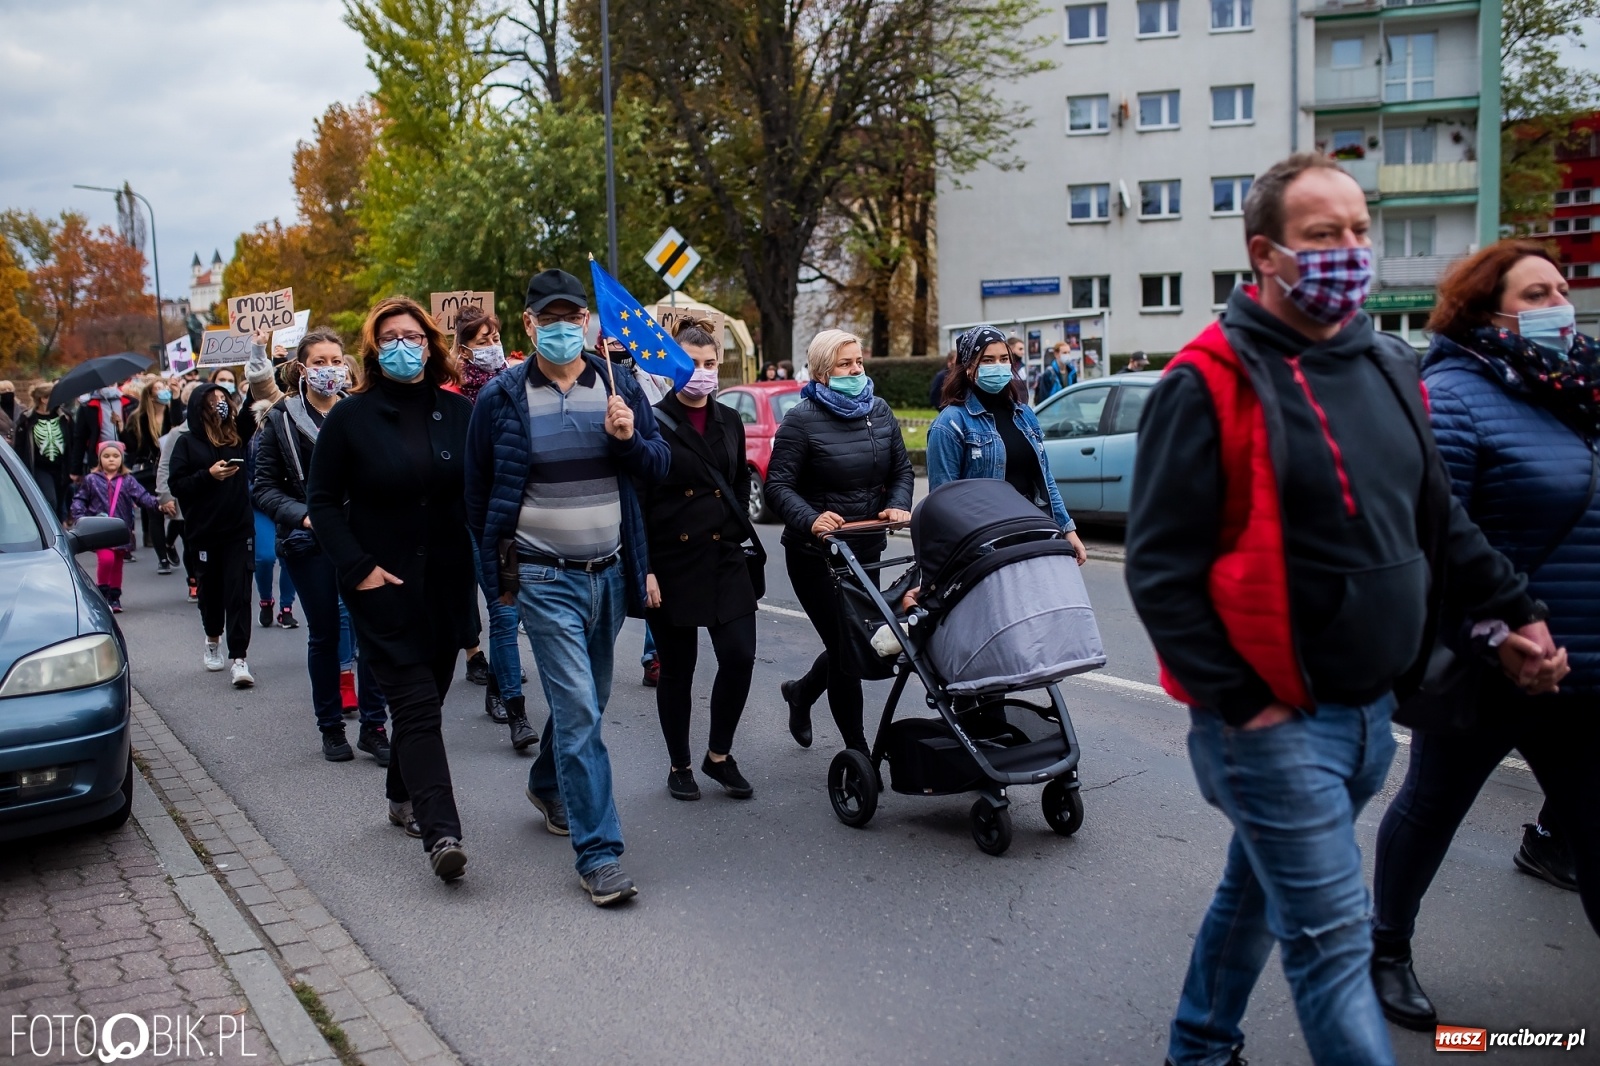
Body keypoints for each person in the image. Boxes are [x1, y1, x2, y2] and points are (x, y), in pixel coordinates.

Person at [1123, 153, 1564, 1066]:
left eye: (1359, 230)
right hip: (1271, 727)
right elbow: (1160, 572)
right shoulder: (1205, 382)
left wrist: (1516, 614)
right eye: (1323, 235)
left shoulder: (1387, 362)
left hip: (1372, 714)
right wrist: (1246, 706)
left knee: (1255, 892)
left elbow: (1438, 518)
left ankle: (1198, 1047)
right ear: (1266, 254)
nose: (1351, 250)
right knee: (1332, 948)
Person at [1369, 241, 1600, 1029]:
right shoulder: (1453, 397)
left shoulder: (1577, 391)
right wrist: (1499, 633)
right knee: (1431, 807)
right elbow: (1433, 537)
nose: (1558, 304)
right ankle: (1386, 948)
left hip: (1583, 666)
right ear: (1484, 309)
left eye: (1562, 287)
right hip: (1491, 662)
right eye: (1536, 293)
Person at [465, 268, 670, 906]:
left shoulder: (618, 383)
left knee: (591, 701)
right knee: (579, 710)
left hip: (607, 572)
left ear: (587, 321)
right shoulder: (500, 397)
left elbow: (658, 467)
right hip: (543, 576)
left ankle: (549, 782)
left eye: (571, 318)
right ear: (529, 325)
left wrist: (628, 440)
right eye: (548, 320)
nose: (561, 329)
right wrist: (498, 581)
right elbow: (479, 496)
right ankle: (599, 854)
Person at [307, 296, 477, 881]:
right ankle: (442, 833)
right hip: (383, 587)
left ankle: (400, 792)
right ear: (374, 351)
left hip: (448, 587)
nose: (403, 346)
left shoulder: (458, 412)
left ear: (430, 345)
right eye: (390, 339)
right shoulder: (350, 417)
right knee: (418, 709)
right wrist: (358, 568)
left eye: (412, 336)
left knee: (429, 698)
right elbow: (322, 501)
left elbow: (478, 492)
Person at [768, 329, 914, 753]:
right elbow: (778, 486)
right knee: (847, 650)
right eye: (844, 364)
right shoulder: (801, 420)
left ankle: (801, 693)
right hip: (816, 556)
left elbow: (901, 471)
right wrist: (812, 519)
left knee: (857, 641)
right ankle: (859, 754)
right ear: (821, 372)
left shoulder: (879, 411)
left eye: (858, 362)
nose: (855, 371)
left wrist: (897, 504)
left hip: (866, 548)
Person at [253, 326, 391, 768]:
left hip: (361, 539)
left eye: (335, 361)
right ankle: (331, 726)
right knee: (326, 633)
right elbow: (263, 488)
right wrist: (306, 515)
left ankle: (373, 726)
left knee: (371, 632)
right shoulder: (280, 419)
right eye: (319, 362)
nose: (328, 369)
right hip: (309, 542)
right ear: (302, 368)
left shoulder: (359, 411)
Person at [640, 323, 760, 801]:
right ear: (672, 364)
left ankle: (719, 756)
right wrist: (645, 567)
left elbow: (736, 479)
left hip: (725, 556)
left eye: (710, 364)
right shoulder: (651, 420)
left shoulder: (730, 419)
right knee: (678, 668)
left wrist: (737, 527)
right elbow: (639, 500)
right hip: (672, 561)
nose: (702, 373)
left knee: (740, 656)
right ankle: (680, 764)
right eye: (691, 363)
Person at [928, 325, 1088, 564]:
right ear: (969, 367)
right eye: (988, 360)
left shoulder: (1024, 414)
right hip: (984, 546)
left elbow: (1045, 478)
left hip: (1032, 534)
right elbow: (944, 501)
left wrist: (1067, 529)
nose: (998, 366)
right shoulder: (950, 423)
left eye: (1004, 359)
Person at [450, 306, 534, 747]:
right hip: (475, 517)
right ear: (464, 348)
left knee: (511, 609)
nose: (491, 346)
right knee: (502, 609)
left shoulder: (517, 383)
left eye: (494, 337)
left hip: (517, 516)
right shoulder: (451, 395)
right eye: (481, 340)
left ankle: (498, 689)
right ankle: (515, 708)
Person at [169, 381, 257, 688]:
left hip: (238, 529)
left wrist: (261, 362)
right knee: (211, 592)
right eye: (213, 399)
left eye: (223, 397)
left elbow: (253, 401)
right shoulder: (186, 443)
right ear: (199, 406)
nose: (219, 402)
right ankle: (212, 638)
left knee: (239, 592)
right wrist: (208, 475)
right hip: (204, 531)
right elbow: (177, 484)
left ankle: (239, 658)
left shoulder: (237, 434)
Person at [599, 333, 669, 689]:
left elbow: (657, 449)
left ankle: (654, 654)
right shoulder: (599, 384)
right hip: (614, 504)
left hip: (653, 484)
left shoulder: (651, 382)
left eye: (623, 343)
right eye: (612, 344)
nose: (620, 349)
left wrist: (633, 440)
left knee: (653, 579)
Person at [69, 440, 160, 613]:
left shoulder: (128, 480)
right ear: (99, 459)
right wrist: (80, 517)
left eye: (115, 456)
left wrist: (159, 505)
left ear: (122, 459)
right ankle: (103, 592)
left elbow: (143, 497)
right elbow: (80, 499)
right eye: (106, 456)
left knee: (117, 563)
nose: (111, 459)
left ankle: (115, 596)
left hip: (120, 530)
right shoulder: (91, 480)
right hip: (100, 530)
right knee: (106, 559)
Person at [122, 376, 177, 573]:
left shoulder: (172, 413)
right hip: (149, 471)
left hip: (173, 469)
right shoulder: (139, 418)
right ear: (150, 395)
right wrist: (120, 429)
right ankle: (162, 559)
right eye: (159, 388)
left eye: (165, 387)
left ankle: (169, 542)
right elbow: (131, 448)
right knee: (156, 514)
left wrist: (176, 397)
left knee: (178, 515)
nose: (164, 391)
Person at [157, 382, 200, 602]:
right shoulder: (177, 433)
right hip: (185, 497)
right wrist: (165, 496)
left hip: (211, 499)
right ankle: (193, 580)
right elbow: (165, 465)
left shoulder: (221, 430)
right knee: (191, 543)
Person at [13, 384, 76, 521]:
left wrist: (74, 467)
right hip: (40, 467)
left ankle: (59, 528)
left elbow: (73, 441)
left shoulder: (65, 417)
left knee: (61, 502)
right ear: (43, 399)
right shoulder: (27, 419)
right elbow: (19, 446)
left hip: (62, 467)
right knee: (51, 499)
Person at [0, 380, 15, 446]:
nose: (7, 392)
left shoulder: (23, 409)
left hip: (20, 446)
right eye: (3, 390)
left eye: (10, 389)